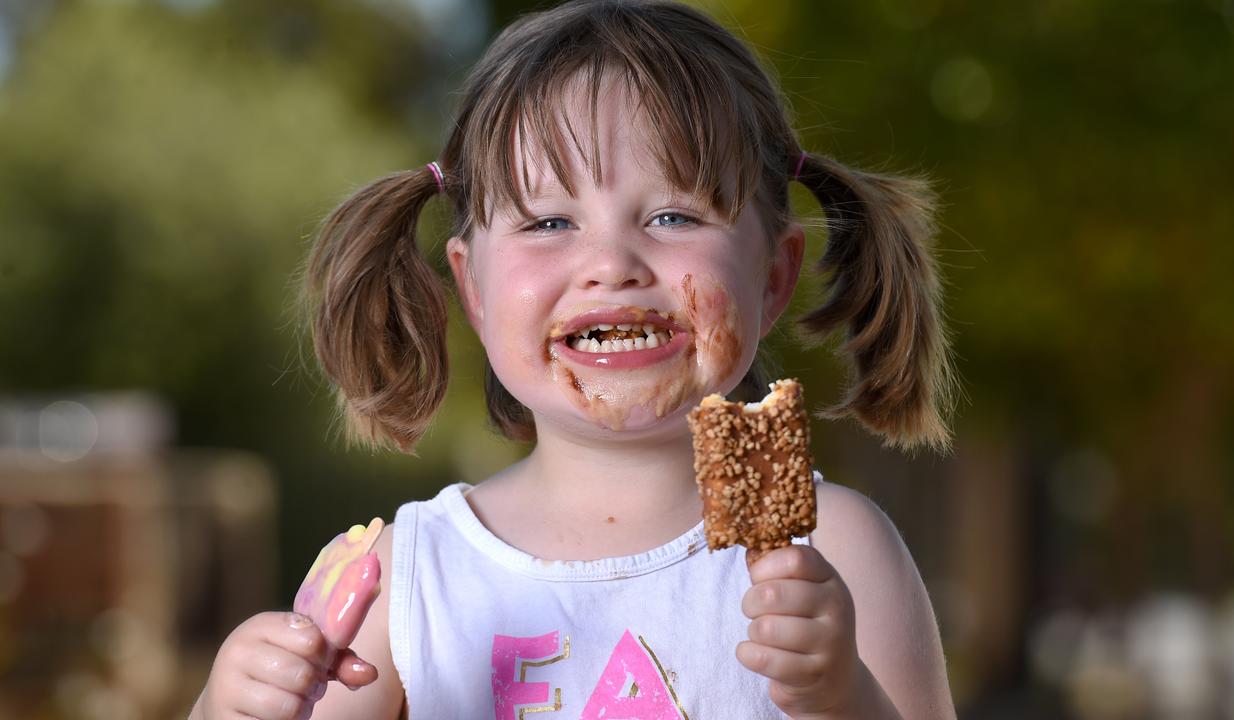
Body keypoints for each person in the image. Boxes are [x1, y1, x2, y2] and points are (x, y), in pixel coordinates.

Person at [189, 1, 960, 718]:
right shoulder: (406, 582)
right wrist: (229, 706)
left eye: (672, 215)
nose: (610, 262)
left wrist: (846, 696)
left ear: (772, 276)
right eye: (551, 221)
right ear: (475, 289)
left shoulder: (835, 550)